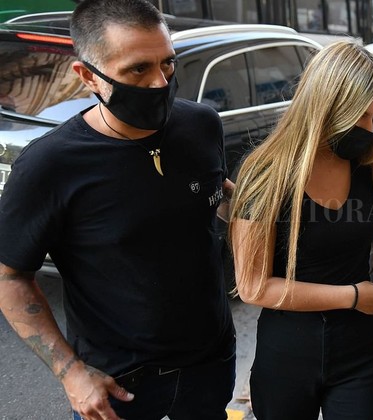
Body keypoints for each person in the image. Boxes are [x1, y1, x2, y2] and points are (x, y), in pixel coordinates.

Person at [0, 0, 236, 419]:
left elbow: (215, 198)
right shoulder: (50, 164)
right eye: (137, 69)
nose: (159, 82)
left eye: (168, 63)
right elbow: (10, 277)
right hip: (119, 386)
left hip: (210, 364)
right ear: (87, 75)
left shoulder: (202, 125)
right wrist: (71, 373)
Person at [229, 40, 373, 420]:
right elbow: (253, 287)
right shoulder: (265, 174)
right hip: (288, 351)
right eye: (360, 117)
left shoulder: (372, 166)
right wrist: (351, 296)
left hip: (360, 350)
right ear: (325, 105)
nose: (369, 129)